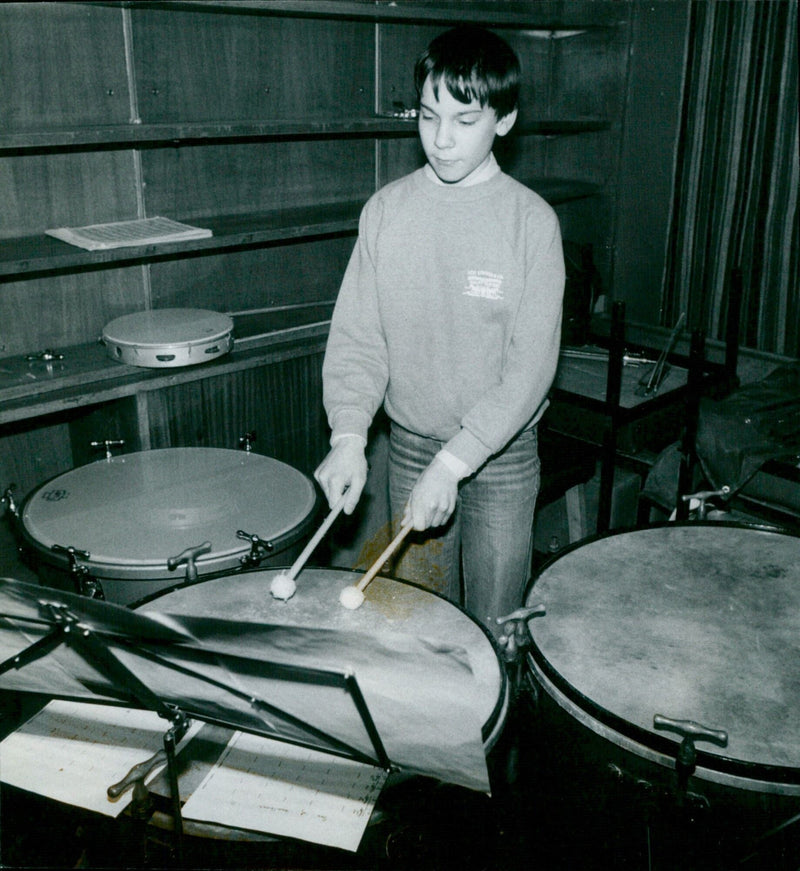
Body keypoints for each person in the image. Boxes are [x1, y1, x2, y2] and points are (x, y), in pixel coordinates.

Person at [315, 24, 565, 635]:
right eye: (428, 117)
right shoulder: (386, 212)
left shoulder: (531, 223)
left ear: (503, 120)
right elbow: (357, 338)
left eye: (465, 120)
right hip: (407, 447)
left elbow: (529, 372)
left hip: (500, 459)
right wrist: (348, 435)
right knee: (420, 627)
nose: (442, 140)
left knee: (495, 630)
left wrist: (455, 465)